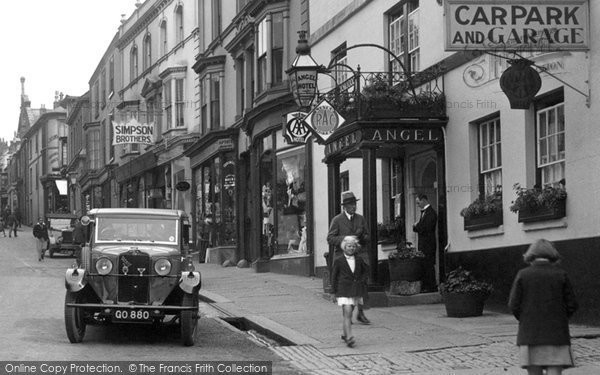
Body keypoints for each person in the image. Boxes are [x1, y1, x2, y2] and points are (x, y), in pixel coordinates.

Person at [508, 239, 578, 375]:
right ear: (552, 255)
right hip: (557, 335)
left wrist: (525, 319)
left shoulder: (523, 274)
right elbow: (572, 304)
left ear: (531, 255)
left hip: (530, 334)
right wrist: (561, 318)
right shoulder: (561, 274)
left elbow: (513, 305)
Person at [327, 191, 371, 324]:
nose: (354, 206)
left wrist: (362, 237)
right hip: (343, 257)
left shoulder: (360, 219)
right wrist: (346, 239)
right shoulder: (337, 220)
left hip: (359, 256)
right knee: (345, 286)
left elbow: (368, 236)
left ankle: (361, 313)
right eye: (351, 204)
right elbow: (330, 238)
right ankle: (347, 315)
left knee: (362, 284)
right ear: (344, 206)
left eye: (355, 204)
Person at [330, 236, 369, 348]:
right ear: (344, 247)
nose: (351, 248)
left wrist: (362, 280)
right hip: (343, 289)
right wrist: (333, 292)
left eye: (353, 246)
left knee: (349, 312)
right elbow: (334, 277)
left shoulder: (359, 260)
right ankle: (349, 337)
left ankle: (344, 333)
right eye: (348, 246)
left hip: (355, 290)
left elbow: (366, 271)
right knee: (347, 312)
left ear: (356, 248)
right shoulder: (339, 261)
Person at [412, 194, 438, 292]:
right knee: (424, 265)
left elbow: (425, 228)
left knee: (429, 265)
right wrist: (417, 226)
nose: (417, 205)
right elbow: (420, 227)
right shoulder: (424, 213)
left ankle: (431, 286)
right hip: (423, 244)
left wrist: (416, 226)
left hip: (429, 244)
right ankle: (426, 286)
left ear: (423, 200)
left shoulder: (431, 213)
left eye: (418, 202)